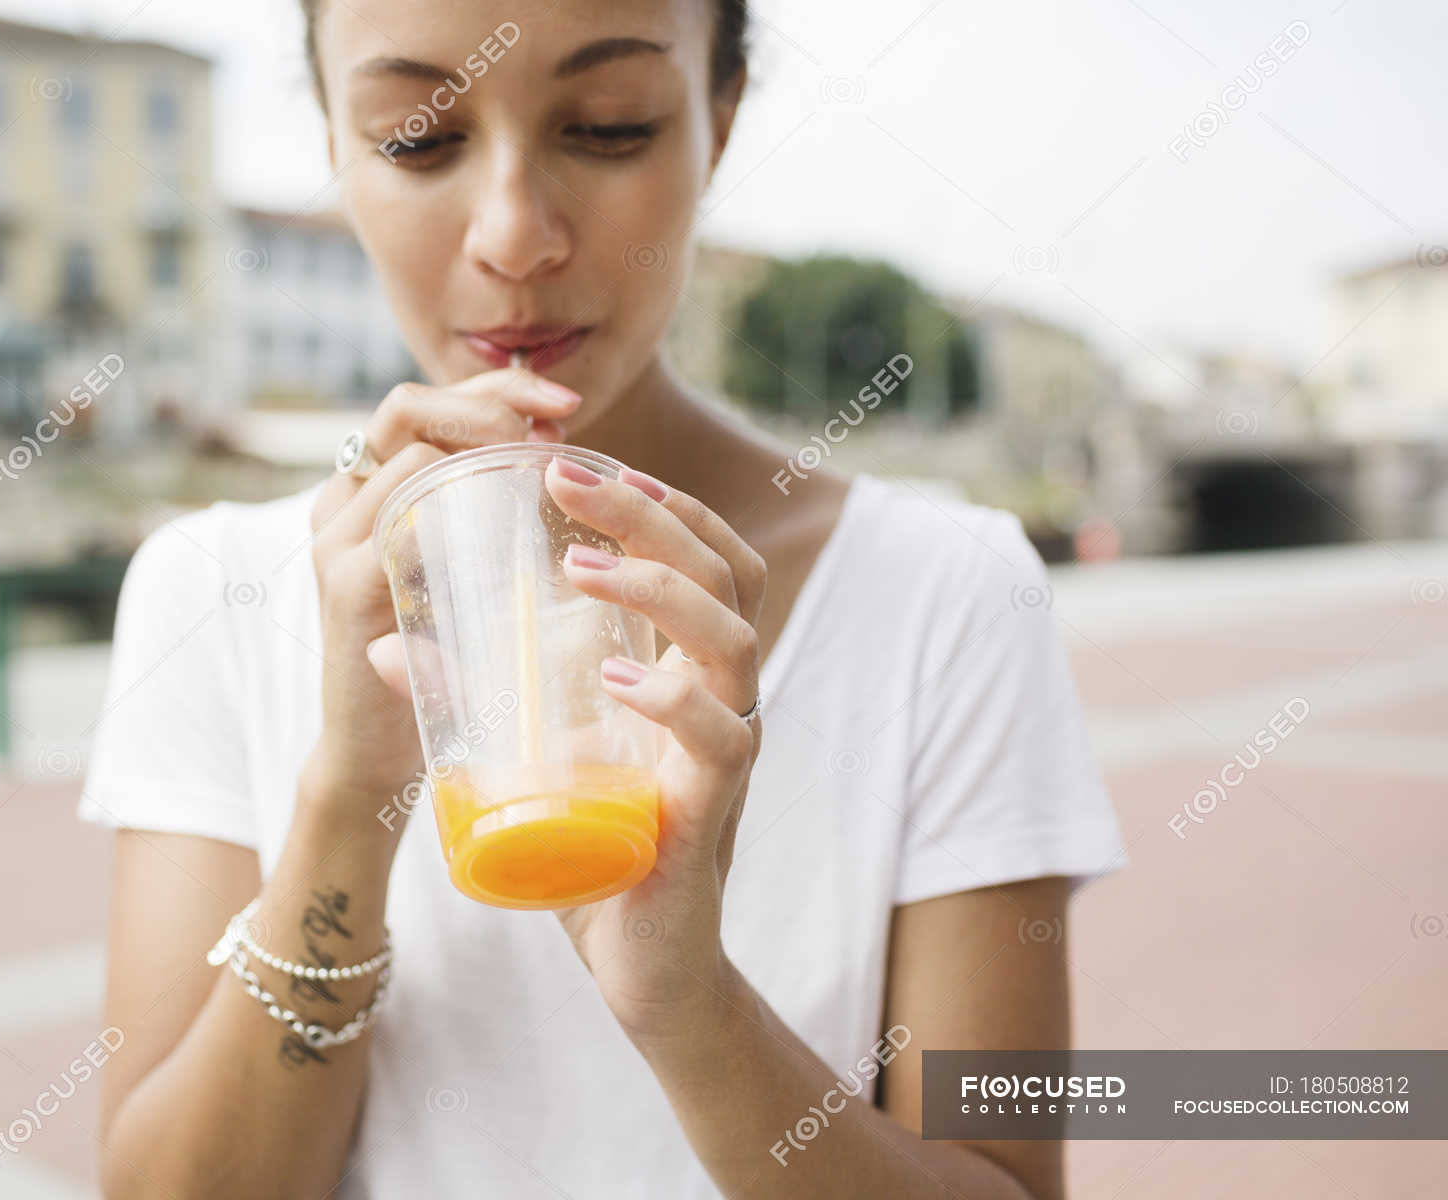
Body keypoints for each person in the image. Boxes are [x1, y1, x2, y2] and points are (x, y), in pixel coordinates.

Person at [77, 1, 1126, 1196]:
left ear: (719, 119)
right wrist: (350, 800)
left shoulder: (950, 594)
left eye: (609, 127)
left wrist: (690, 1008)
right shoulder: (211, 593)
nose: (516, 236)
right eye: (417, 136)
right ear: (333, 144)